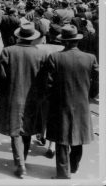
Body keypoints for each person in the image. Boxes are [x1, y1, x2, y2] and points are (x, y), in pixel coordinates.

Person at [40, 25, 99, 179]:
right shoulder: (90, 58)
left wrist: (50, 98)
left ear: (64, 41)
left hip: (60, 102)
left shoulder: (55, 57)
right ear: (76, 41)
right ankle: (73, 166)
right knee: (78, 136)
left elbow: (48, 84)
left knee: (61, 139)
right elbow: (97, 81)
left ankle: (63, 173)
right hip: (82, 103)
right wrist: (89, 95)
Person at [0, 23, 47, 179]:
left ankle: (21, 164)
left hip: (13, 95)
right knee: (27, 129)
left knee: (15, 131)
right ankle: (22, 160)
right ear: (33, 38)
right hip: (33, 97)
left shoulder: (7, 51)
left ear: (19, 36)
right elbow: (45, 79)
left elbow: (1, 78)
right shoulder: (41, 55)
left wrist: (4, 92)